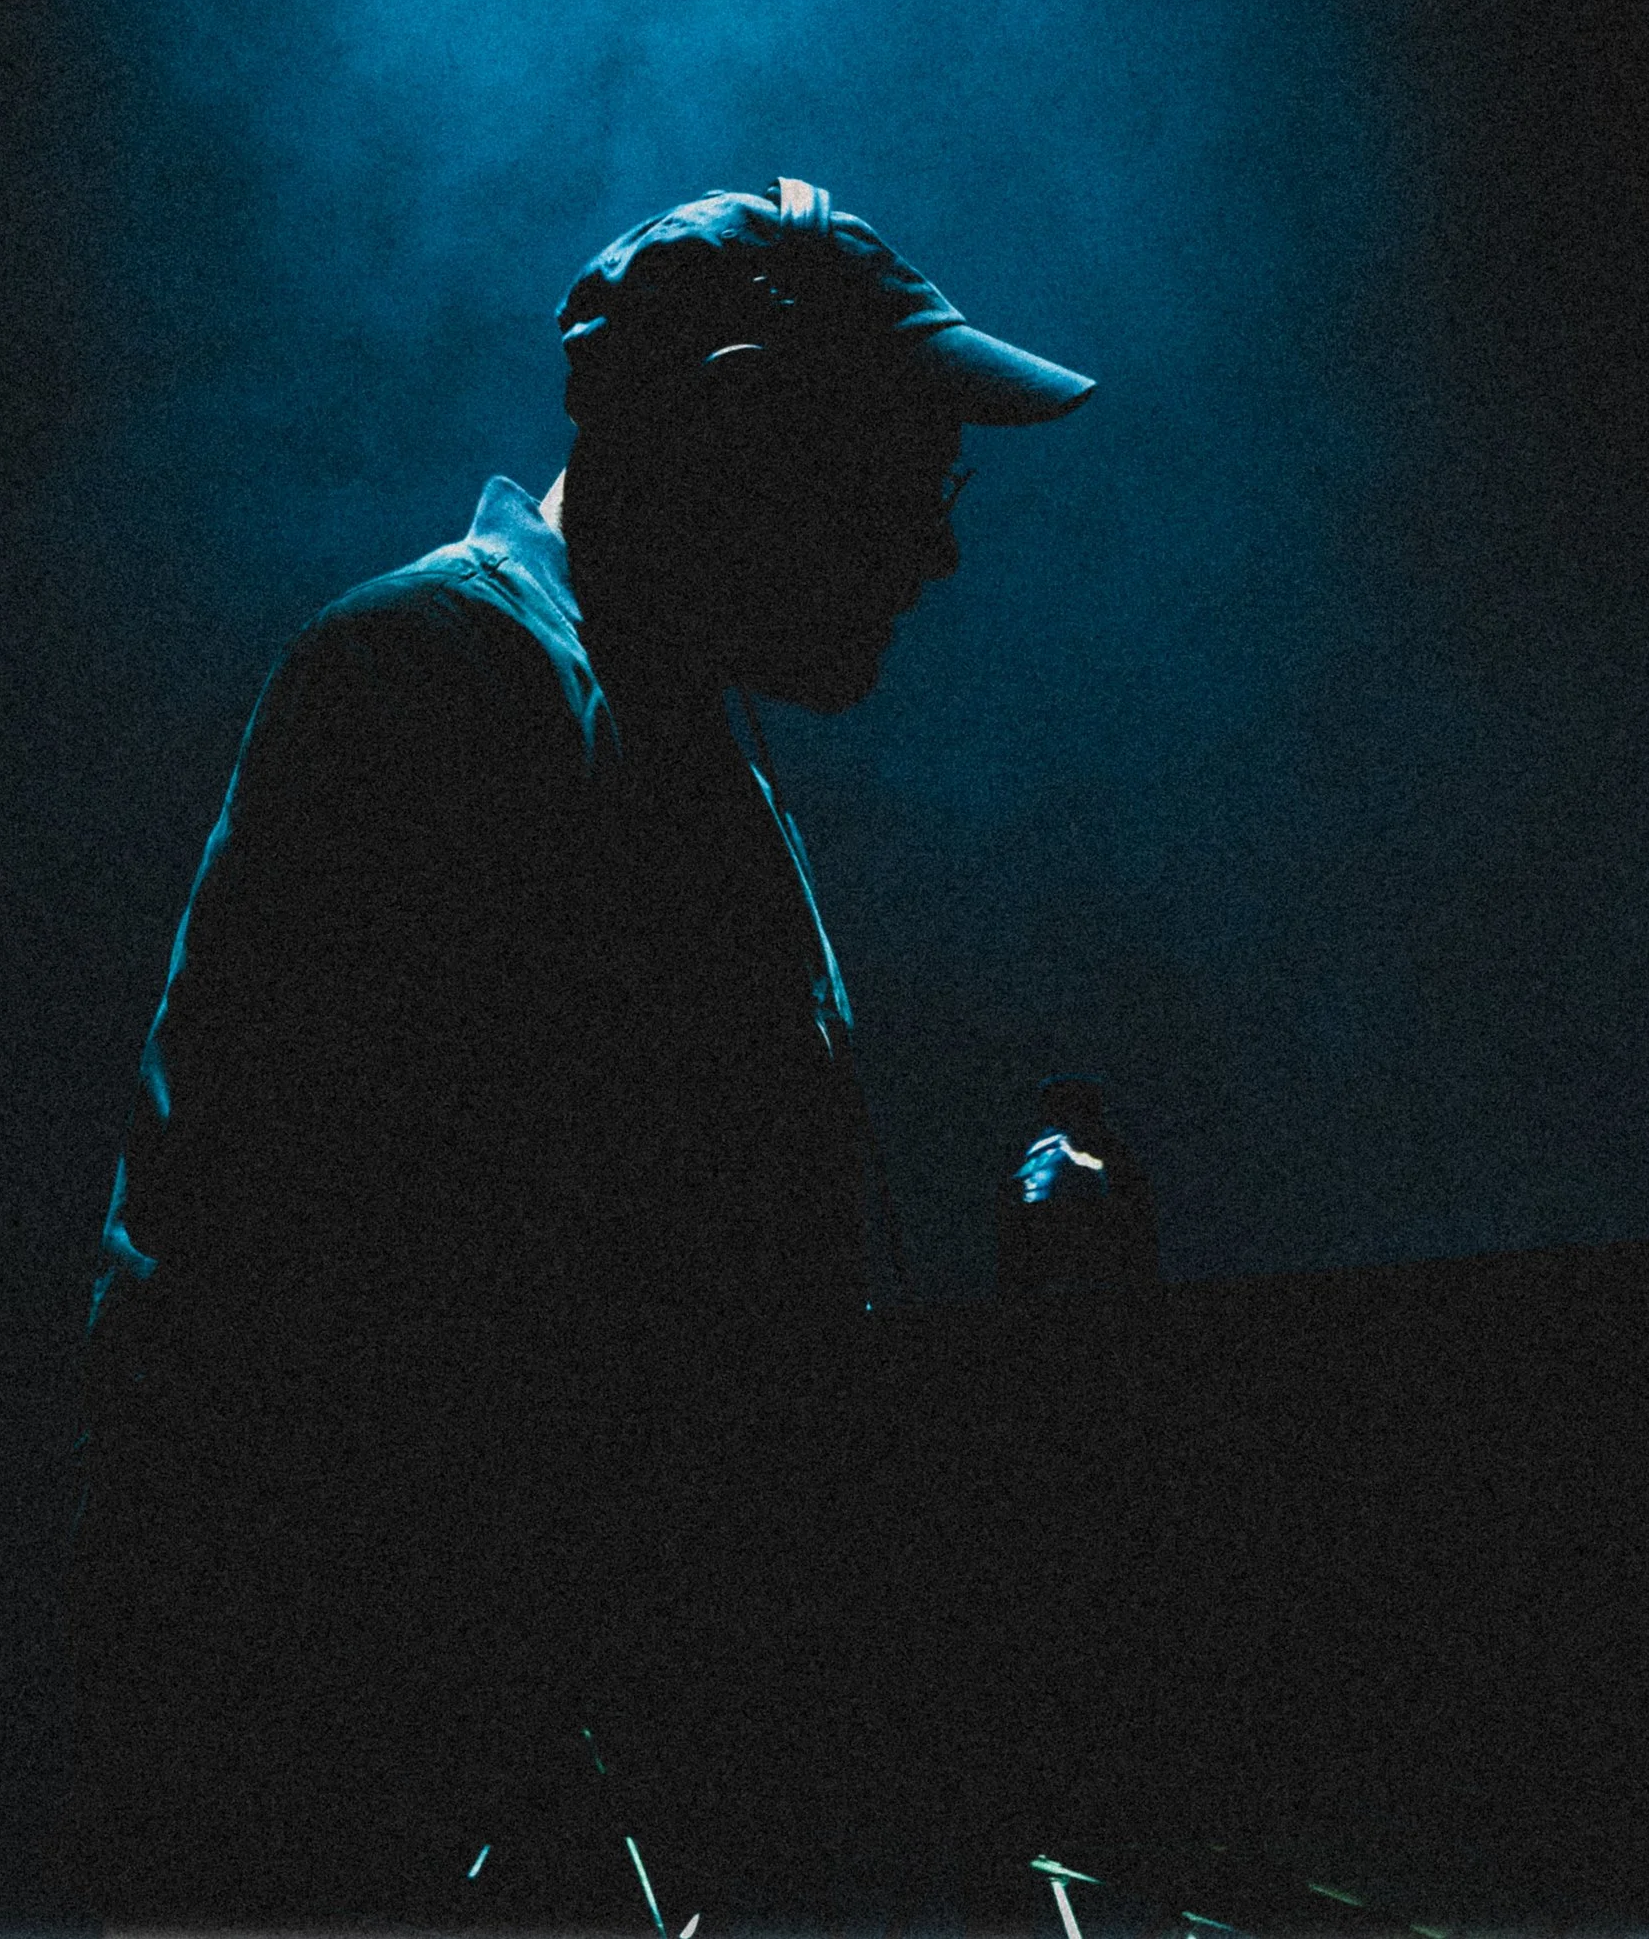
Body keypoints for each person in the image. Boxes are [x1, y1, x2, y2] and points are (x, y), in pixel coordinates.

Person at [62, 178, 1093, 1928]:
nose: (936, 546)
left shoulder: (667, 748)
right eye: (898, 472)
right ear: (738, 426)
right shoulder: (434, 685)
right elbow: (320, 1334)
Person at [993, 1076, 1160, 1298]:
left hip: (1080, 1231)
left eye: (1055, 1102)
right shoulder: (1043, 1144)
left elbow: (1126, 1193)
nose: (1046, 1110)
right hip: (1042, 1233)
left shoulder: (1101, 1144)